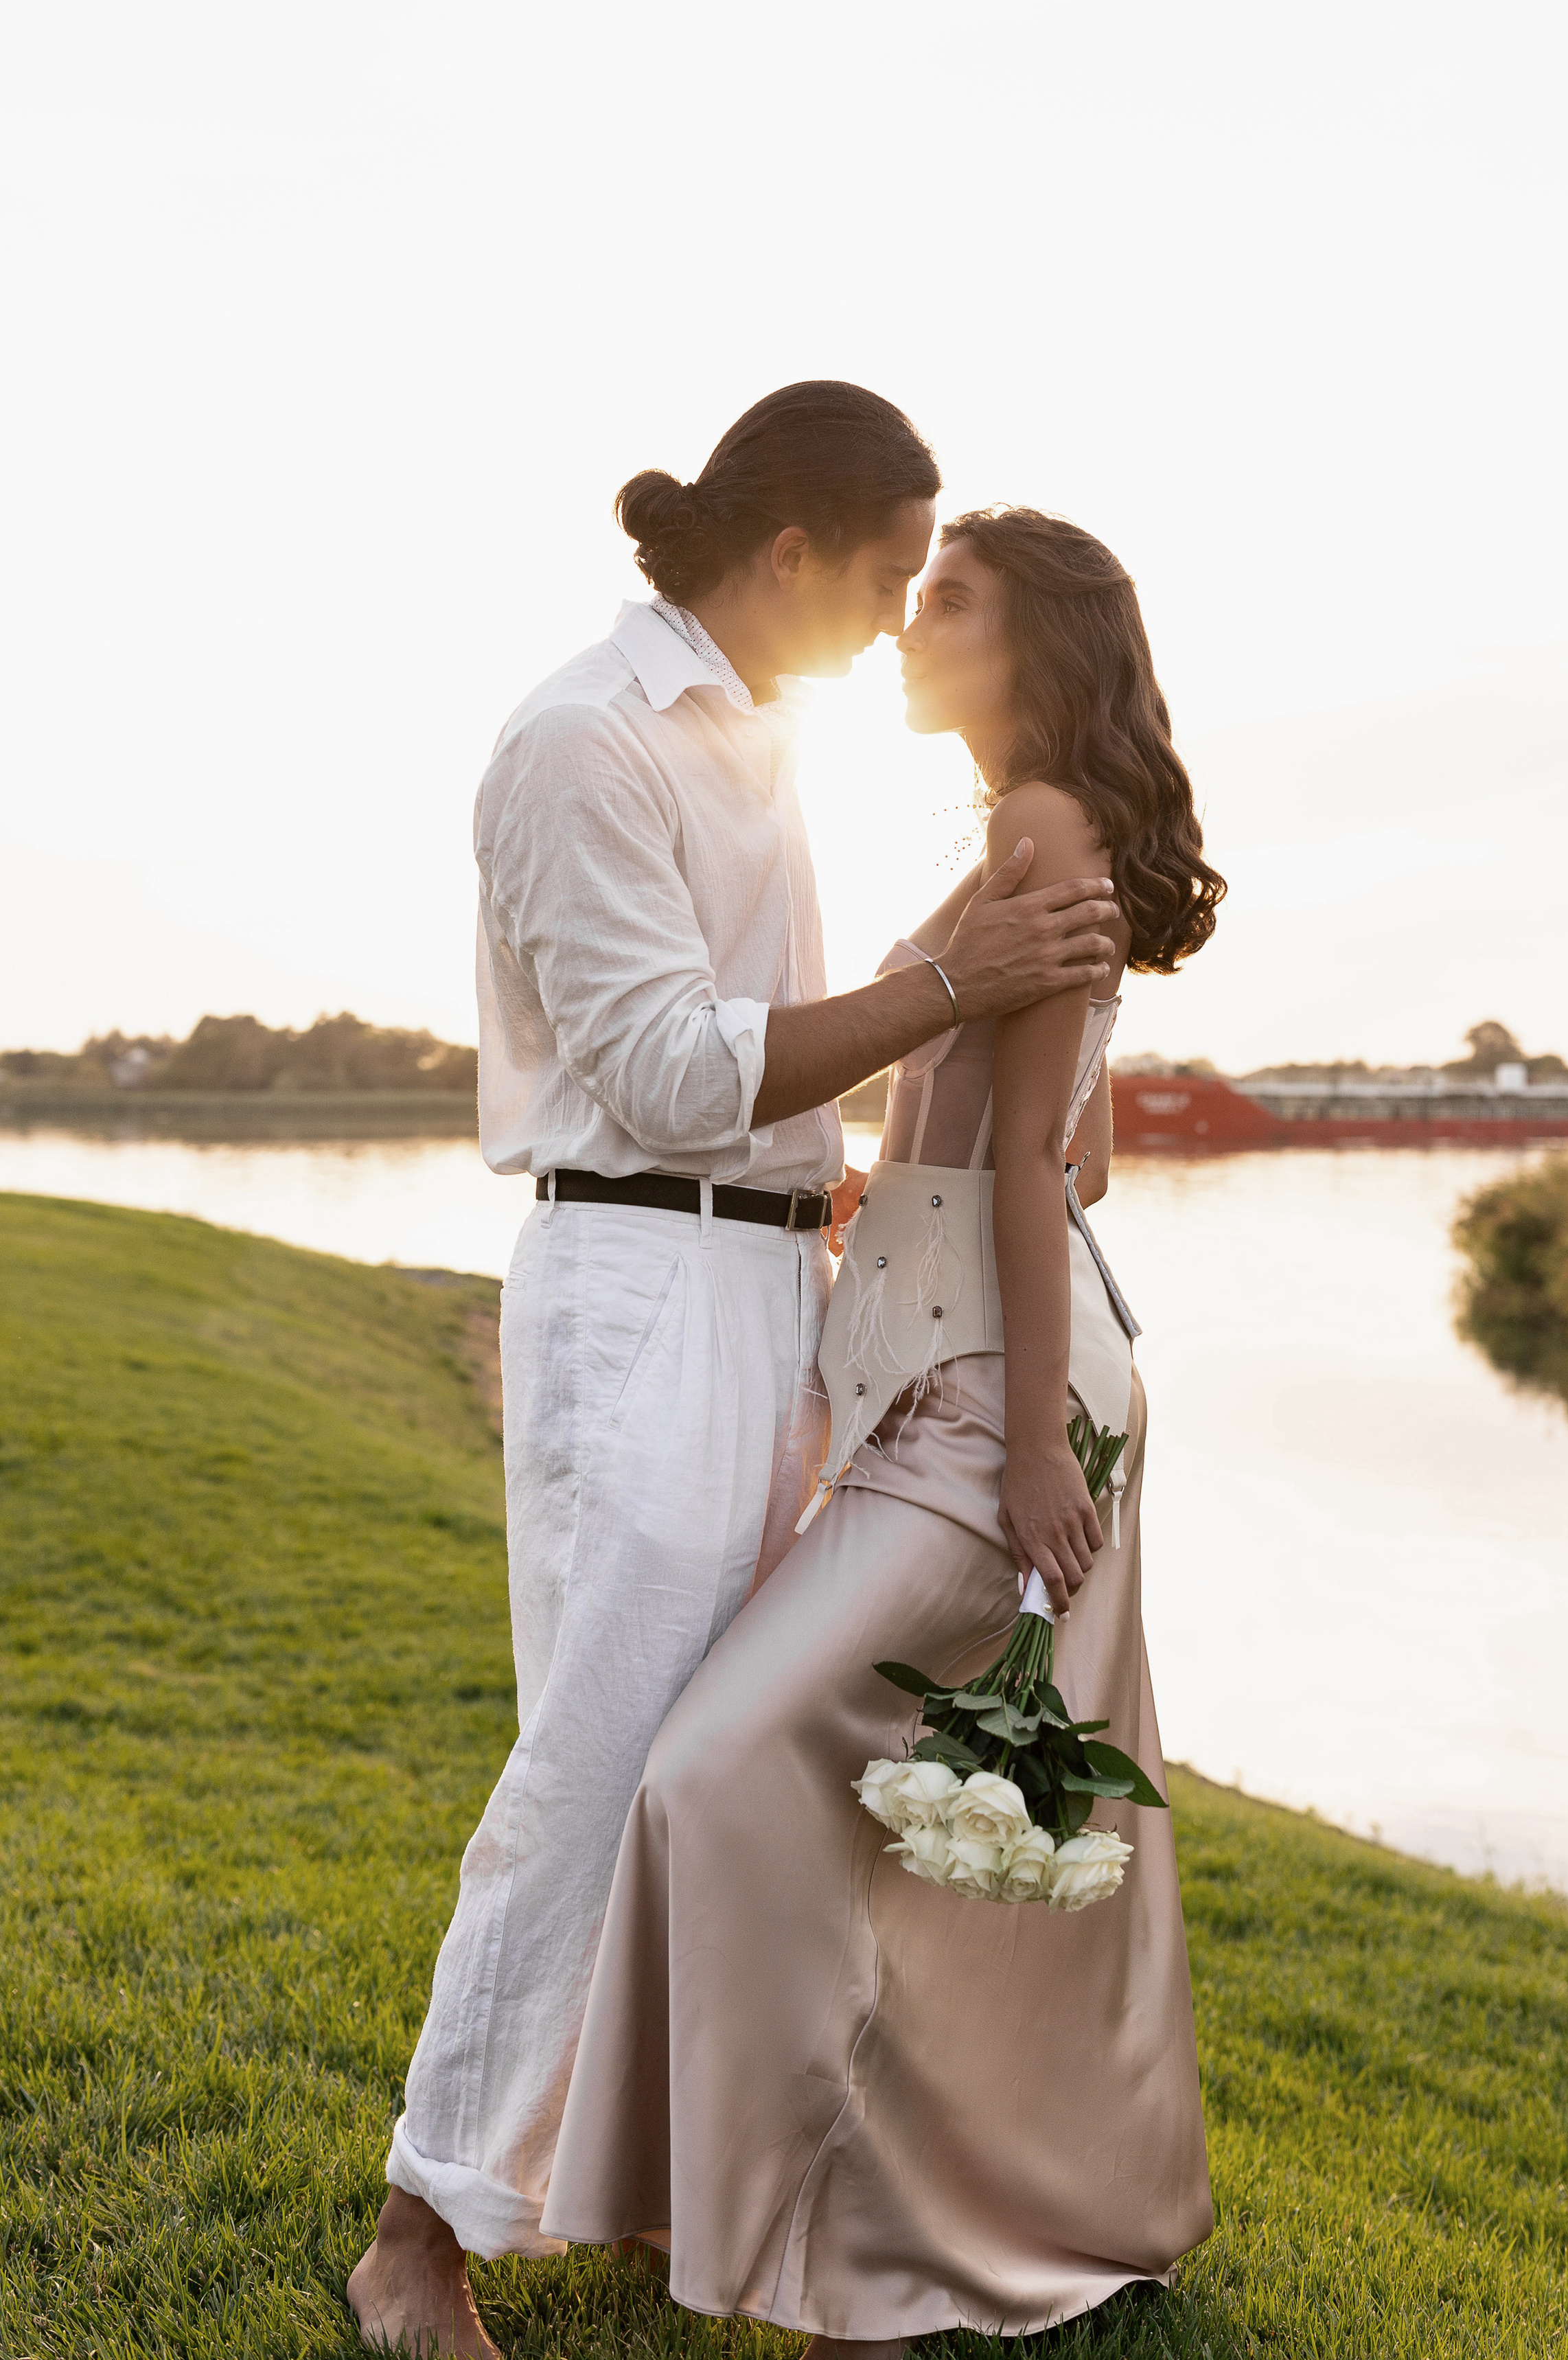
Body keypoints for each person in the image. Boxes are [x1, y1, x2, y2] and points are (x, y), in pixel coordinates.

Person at [347, 394, 1123, 2359]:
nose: (888, 628)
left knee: (700, 1760)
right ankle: (419, 2232)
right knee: (601, 1761)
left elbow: (765, 1072)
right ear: (792, 555)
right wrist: (960, 985)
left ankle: (609, 2181)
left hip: (770, 1287)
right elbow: (678, 1070)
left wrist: (882, 1147)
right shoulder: (583, 745)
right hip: (643, 1291)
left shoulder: (759, 745)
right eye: (883, 579)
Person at [544, 506, 1225, 2352]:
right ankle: (733, 2196)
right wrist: (889, 1183)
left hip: (992, 1406)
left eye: (951, 602)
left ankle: (800, 2227)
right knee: (853, 1794)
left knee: (720, 1763)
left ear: (1042, 646)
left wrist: (1017, 1466)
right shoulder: (1032, 832)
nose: (911, 628)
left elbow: (1029, 1165)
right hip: (971, 1373)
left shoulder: (1039, 826)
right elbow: (1070, 1139)